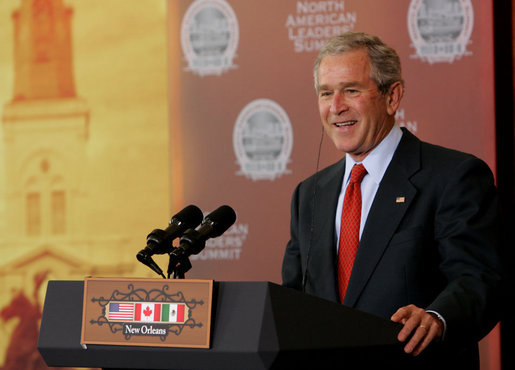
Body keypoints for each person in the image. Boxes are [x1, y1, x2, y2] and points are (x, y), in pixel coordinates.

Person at [282, 31, 502, 367]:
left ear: (392, 96)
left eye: (351, 90)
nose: (336, 106)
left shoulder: (453, 176)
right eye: (326, 93)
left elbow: (478, 278)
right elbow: (294, 302)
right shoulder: (309, 194)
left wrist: (437, 318)